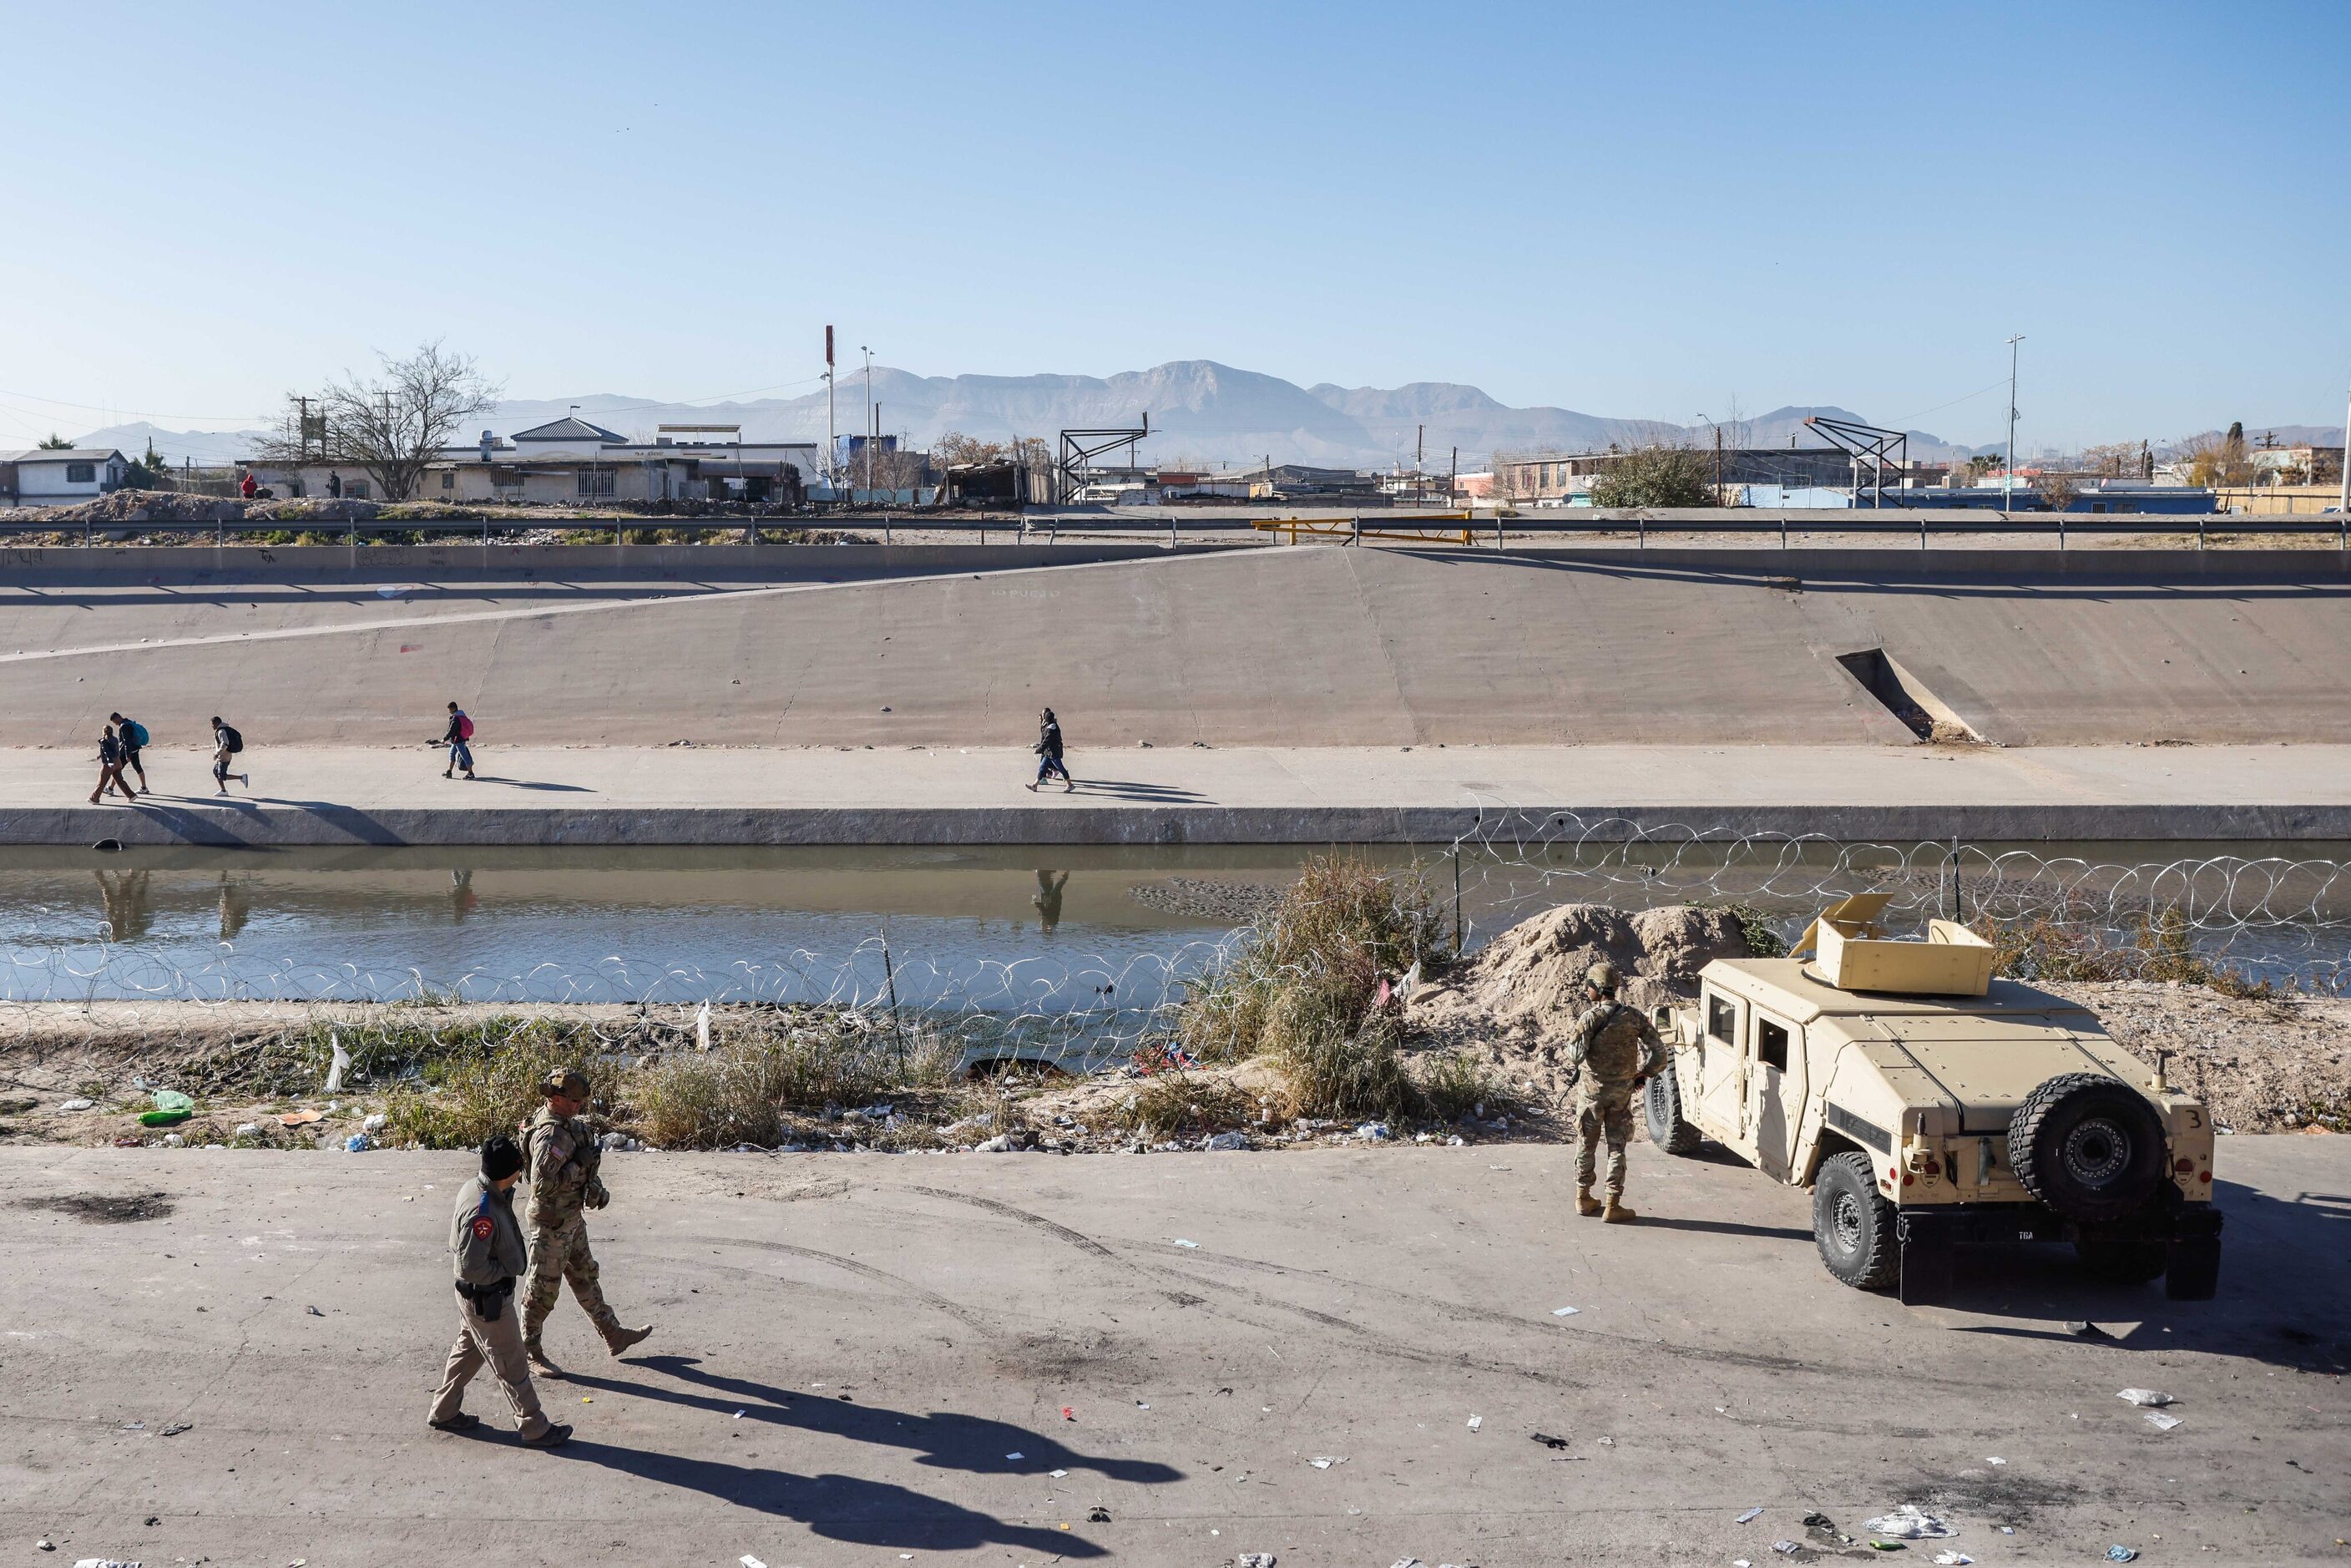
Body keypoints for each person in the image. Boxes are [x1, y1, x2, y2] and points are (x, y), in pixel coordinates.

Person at [427, 1133, 571, 1448]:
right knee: (512, 1363)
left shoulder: (478, 1188)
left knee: (469, 1352)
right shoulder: (483, 1211)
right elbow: (470, 1267)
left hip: (475, 1300)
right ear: (511, 1172)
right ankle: (535, 1427)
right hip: (487, 1298)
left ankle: (444, 1411)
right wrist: (505, 1273)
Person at [519, 1067, 651, 1377]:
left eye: (582, 1100)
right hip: (551, 1224)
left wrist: (594, 1187)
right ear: (557, 1098)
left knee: (585, 1276)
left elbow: (578, 1170)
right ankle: (529, 1351)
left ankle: (613, 1334)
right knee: (542, 1291)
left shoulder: (567, 1126)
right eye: (575, 1100)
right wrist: (579, 1164)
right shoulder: (550, 1134)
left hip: (570, 1219)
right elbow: (541, 1186)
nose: (580, 1105)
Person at [1564, 961, 1668, 1223]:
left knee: (1586, 1144)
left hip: (1590, 1095)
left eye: (1589, 987)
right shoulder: (1633, 1017)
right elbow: (1660, 1053)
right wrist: (1643, 1073)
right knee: (1616, 1147)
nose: (1586, 991)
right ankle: (1613, 1204)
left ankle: (1583, 1197)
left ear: (1599, 990)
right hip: (1621, 1093)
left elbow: (1575, 1055)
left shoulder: (1589, 1018)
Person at [1027, 706, 1073, 793]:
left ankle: (1070, 785)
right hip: (1049, 753)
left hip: (1054, 753)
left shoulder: (1051, 728)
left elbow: (1046, 741)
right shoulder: (1050, 726)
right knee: (1042, 767)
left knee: (1061, 769)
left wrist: (1038, 750)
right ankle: (1035, 786)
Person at [89, 725, 137, 805]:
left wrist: (110, 762)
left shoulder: (104, 740)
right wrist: (100, 755)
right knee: (120, 780)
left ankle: (94, 799)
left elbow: (107, 752)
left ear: (104, 732)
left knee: (101, 782)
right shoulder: (115, 739)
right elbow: (112, 750)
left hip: (109, 764)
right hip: (118, 762)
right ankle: (131, 795)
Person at [108, 712, 151, 792]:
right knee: (138, 767)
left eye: (115, 722)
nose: (115, 724)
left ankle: (110, 788)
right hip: (135, 749)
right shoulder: (129, 722)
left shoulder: (124, 726)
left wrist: (127, 755)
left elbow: (126, 741)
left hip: (127, 752)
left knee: (117, 769)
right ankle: (144, 788)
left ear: (117, 718)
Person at [210, 716, 249, 794]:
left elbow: (225, 743)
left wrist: (217, 753)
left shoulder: (221, 731)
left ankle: (242, 777)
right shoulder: (220, 730)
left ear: (216, 723)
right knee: (216, 772)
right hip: (222, 756)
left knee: (222, 775)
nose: (211, 726)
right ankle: (223, 791)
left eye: (212, 724)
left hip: (224, 757)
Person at [438, 701, 477, 780]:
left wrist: (444, 739)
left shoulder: (456, 718)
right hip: (457, 740)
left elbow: (451, 731)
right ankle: (449, 772)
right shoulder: (461, 715)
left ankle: (471, 774)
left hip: (459, 740)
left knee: (465, 756)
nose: (449, 711)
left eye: (450, 709)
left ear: (453, 708)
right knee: (451, 754)